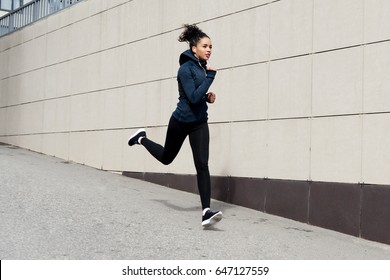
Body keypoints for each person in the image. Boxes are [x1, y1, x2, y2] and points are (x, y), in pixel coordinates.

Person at [127, 24, 222, 228]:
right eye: (205, 46)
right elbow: (193, 98)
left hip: (199, 123)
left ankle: (206, 211)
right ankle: (141, 138)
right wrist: (210, 80)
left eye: (211, 46)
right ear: (194, 48)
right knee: (166, 158)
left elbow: (198, 96)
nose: (209, 50)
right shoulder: (185, 69)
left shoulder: (200, 67)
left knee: (202, 164)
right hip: (180, 121)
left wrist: (208, 97)